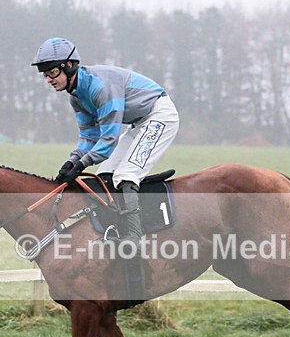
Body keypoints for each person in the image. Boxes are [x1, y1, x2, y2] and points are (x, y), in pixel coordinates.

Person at [31, 37, 179, 249]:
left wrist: (82, 164)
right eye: (45, 74)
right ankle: (115, 228)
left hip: (160, 115)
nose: (49, 79)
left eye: (53, 72)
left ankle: (135, 237)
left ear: (70, 66)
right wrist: (73, 161)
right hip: (139, 122)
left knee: (126, 175)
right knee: (103, 178)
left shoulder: (101, 88)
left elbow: (109, 139)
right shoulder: (76, 97)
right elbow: (89, 137)